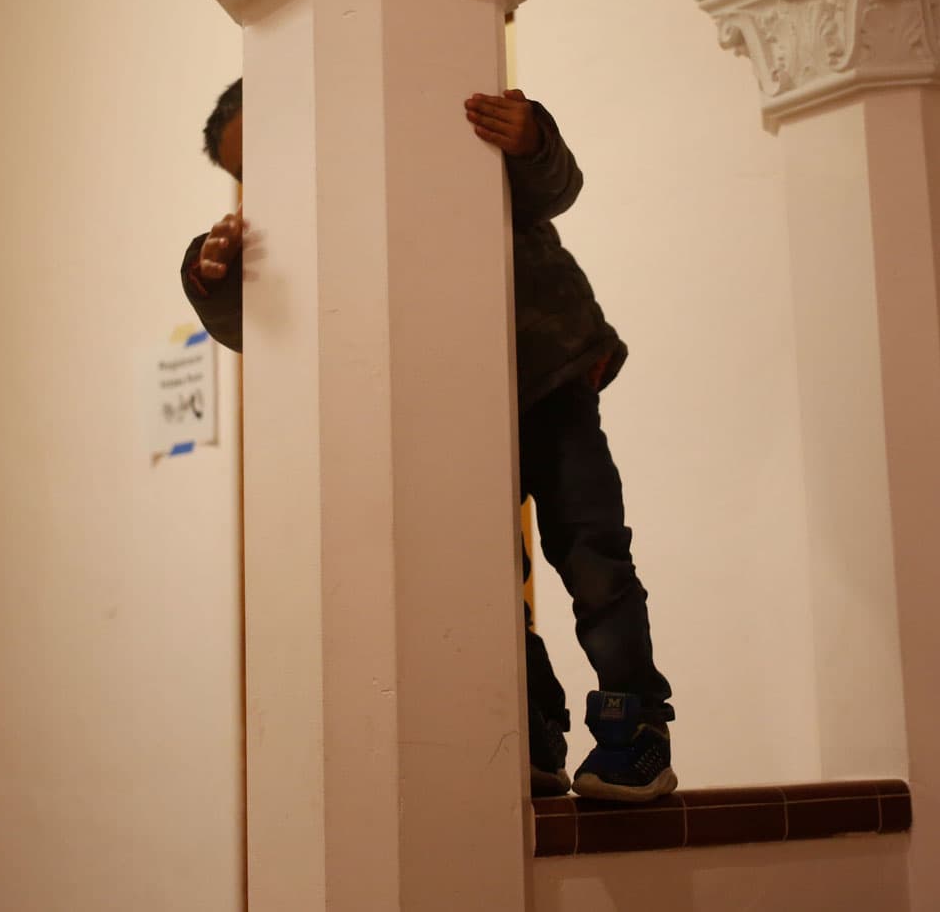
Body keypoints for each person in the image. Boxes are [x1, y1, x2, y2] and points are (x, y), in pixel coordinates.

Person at [182, 76, 676, 803]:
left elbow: (552, 187)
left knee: (593, 553)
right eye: (253, 175)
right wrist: (211, 274)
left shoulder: (415, 144)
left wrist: (531, 136)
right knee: (484, 574)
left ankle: (636, 729)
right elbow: (258, 319)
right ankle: (535, 729)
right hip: (442, 401)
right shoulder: (300, 225)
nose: (272, 182)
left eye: (278, 152)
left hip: (548, 373)